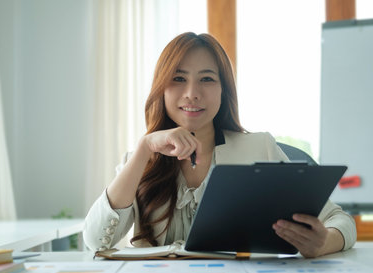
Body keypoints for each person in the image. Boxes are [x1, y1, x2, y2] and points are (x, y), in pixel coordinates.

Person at [83, 32, 356, 258]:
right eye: (178, 79)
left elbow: (341, 222)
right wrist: (144, 148)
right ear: (161, 89)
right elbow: (96, 241)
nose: (192, 93)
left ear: (223, 91)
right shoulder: (140, 159)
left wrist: (322, 243)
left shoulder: (259, 147)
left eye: (207, 79)